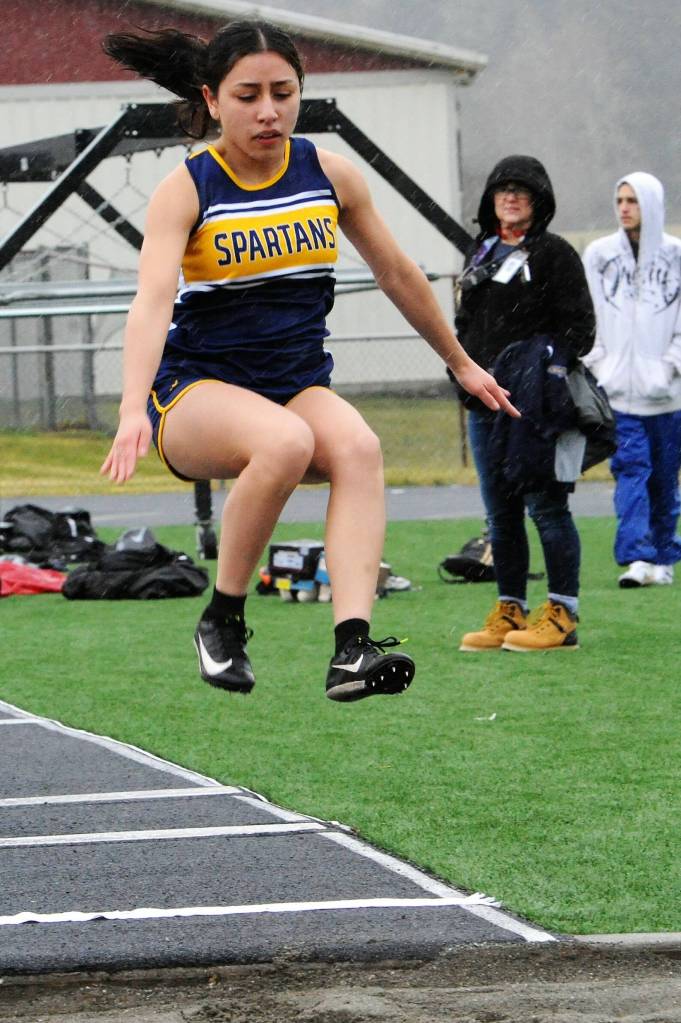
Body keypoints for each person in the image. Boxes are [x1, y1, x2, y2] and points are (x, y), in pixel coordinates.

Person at [99, 20, 518, 701]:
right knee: (286, 442)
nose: (267, 110)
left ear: (300, 93)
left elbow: (398, 273)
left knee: (358, 444)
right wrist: (129, 406)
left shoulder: (328, 174)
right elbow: (150, 302)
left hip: (293, 384)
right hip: (194, 392)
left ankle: (351, 646)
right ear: (210, 99)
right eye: (246, 95)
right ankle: (222, 618)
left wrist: (459, 361)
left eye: (282, 92)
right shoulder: (189, 188)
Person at [454, 155, 595, 652]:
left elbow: (581, 330)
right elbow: (465, 326)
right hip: (484, 405)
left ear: (539, 202)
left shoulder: (555, 255)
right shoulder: (481, 252)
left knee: (547, 508)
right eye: (502, 189)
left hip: (535, 408)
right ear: (490, 200)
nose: (510, 197)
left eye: (522, 190)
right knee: (501, 515)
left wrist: (539, 365)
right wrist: (463, 375)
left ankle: (562, 613)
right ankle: (510, 608)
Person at [582, 172, 681, 588]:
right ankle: (637, 555)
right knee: (631, 471)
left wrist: (669, 366)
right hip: (618, 393)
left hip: (668, 395)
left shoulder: (677, 255)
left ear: (651, 205)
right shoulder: (599, 254)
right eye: (620, 199)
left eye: (633, 201)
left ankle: (664, 556)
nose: (624, 208)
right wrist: (601, 364)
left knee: (664, 476)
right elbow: (590, 315)